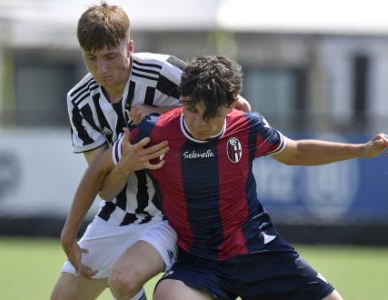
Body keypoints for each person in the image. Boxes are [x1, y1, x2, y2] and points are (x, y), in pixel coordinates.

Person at [74, 55, 388, 300]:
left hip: (258, 251)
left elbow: (297, 152)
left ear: (230, 105)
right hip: (199, 262)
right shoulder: (154, 131)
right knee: (167, 295)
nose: (198, 121)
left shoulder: (249, 127)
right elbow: (99, 169)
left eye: (209, 114)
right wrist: (70, 231)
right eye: (191, 109)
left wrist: (361, 149)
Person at [50, 3, 252, 300]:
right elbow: (105, 188)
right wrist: (126, 165)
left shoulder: (162, 71)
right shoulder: (79, 100)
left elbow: (235, 106)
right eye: (91, 58)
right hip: (123, 211)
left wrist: (158, 113)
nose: (101, 69)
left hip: (177, 214)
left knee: (124, 280)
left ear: (129, 46)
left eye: (110, 56)